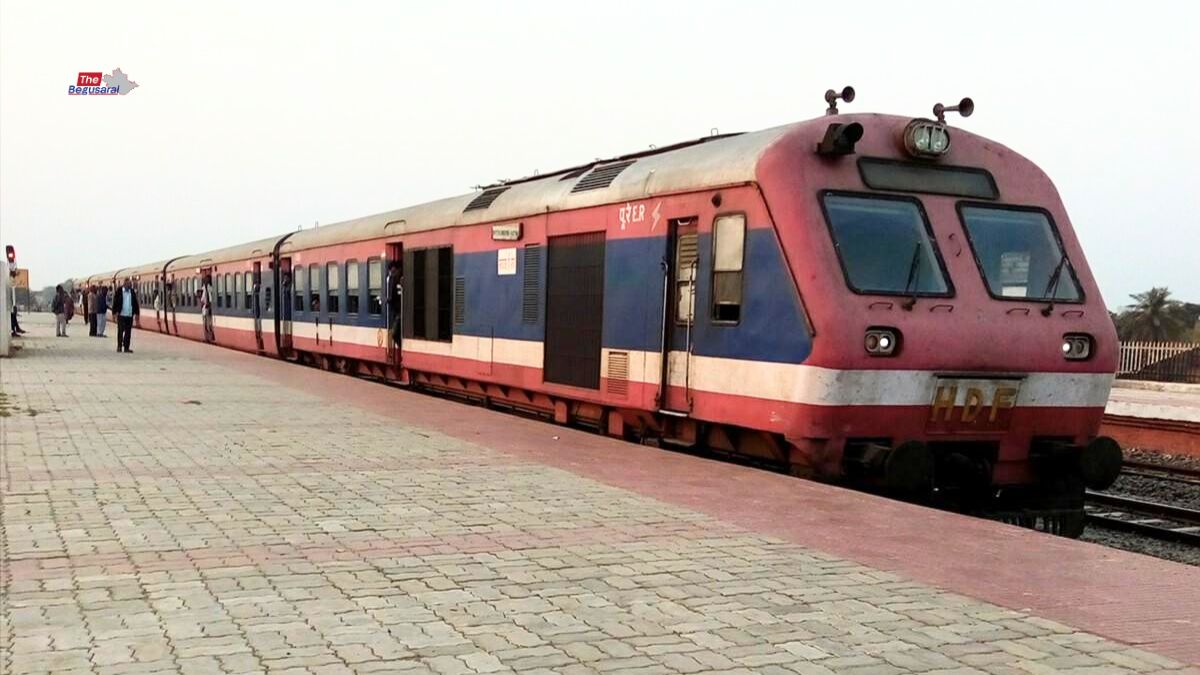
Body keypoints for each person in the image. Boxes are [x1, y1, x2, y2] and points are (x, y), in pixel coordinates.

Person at [111, 279, 140, 353]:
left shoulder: (132, 292)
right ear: (124, 284)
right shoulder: (119, 291)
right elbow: (115, 302)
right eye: (128, 284)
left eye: (130, 284)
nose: (130, 286)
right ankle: (119, 346)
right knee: (120, 331)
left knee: (128, 332)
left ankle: (126, 347)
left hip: (129, 314)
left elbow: (135, 303)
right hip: (121, 314)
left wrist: (137, 314)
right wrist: (114, 313)